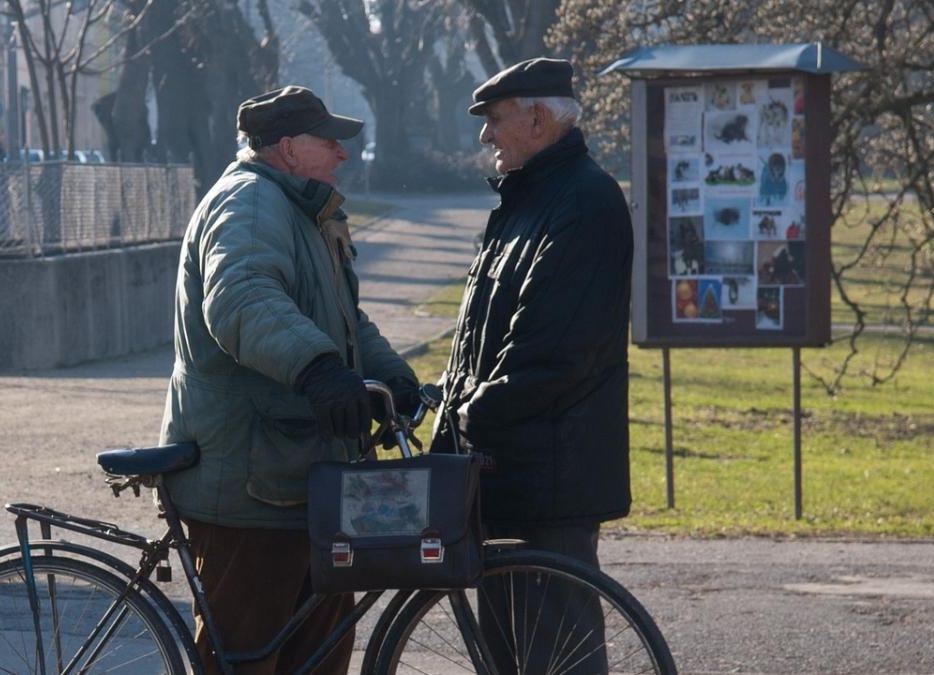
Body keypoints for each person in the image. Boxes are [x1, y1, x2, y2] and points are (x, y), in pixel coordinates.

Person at [159, 85, 419, 674]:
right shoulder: (250, 204)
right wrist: (321, 371)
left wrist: (392, 378)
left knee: (318, 656)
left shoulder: (302, 209)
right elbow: (242, 301)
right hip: (251, 483)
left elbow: (344, 319)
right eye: (329, 141)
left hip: (302, 476)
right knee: (248, 659)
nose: (342, 154)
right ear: (287, 148)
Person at [433, 57, 633, 672]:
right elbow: (484, 339)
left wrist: (467, 412)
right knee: (510, 658)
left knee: (554, 661)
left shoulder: (584, 203)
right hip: (507, 474)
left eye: (495, 120)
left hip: (550, 481)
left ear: (540, 119)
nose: (485, 136)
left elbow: (554, 352)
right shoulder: (527, 202)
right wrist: (444, 398)